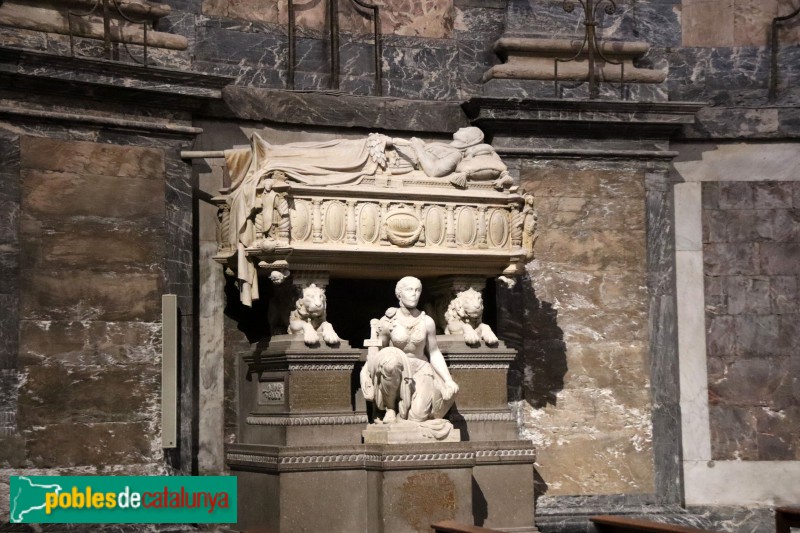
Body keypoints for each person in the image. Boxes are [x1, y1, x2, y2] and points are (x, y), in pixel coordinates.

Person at [362, 277, 459, 423]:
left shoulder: (427, 321)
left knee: (418, 417)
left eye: (417, 290)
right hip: (396, 369)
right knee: (390, 362)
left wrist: (448, 380)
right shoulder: (388, 321)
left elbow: (433, 352)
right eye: (409, 290)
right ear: (399, 294)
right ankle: (390, 409)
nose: (414, 294)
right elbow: (379, 351)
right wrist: (382, 332)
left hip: (420, 368)